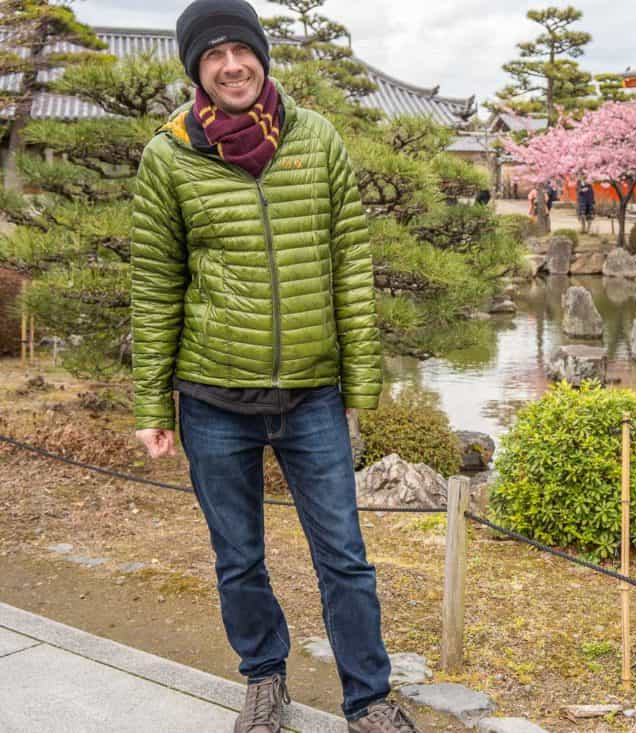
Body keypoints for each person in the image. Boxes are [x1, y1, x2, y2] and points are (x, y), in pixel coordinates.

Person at [130, 2, 418, 731]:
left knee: (345, 557)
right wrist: (151, 406)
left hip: (312, 392)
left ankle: (370, 698)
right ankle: (263, 678)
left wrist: (361, 382)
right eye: (213, 53)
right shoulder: (168, 155)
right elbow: (157, 283)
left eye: (242, 49)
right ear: (196, 67)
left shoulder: (317, 139)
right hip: (211, 394)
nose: (232, 64)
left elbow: (351, 264)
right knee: (238, 557)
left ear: (261, 55)